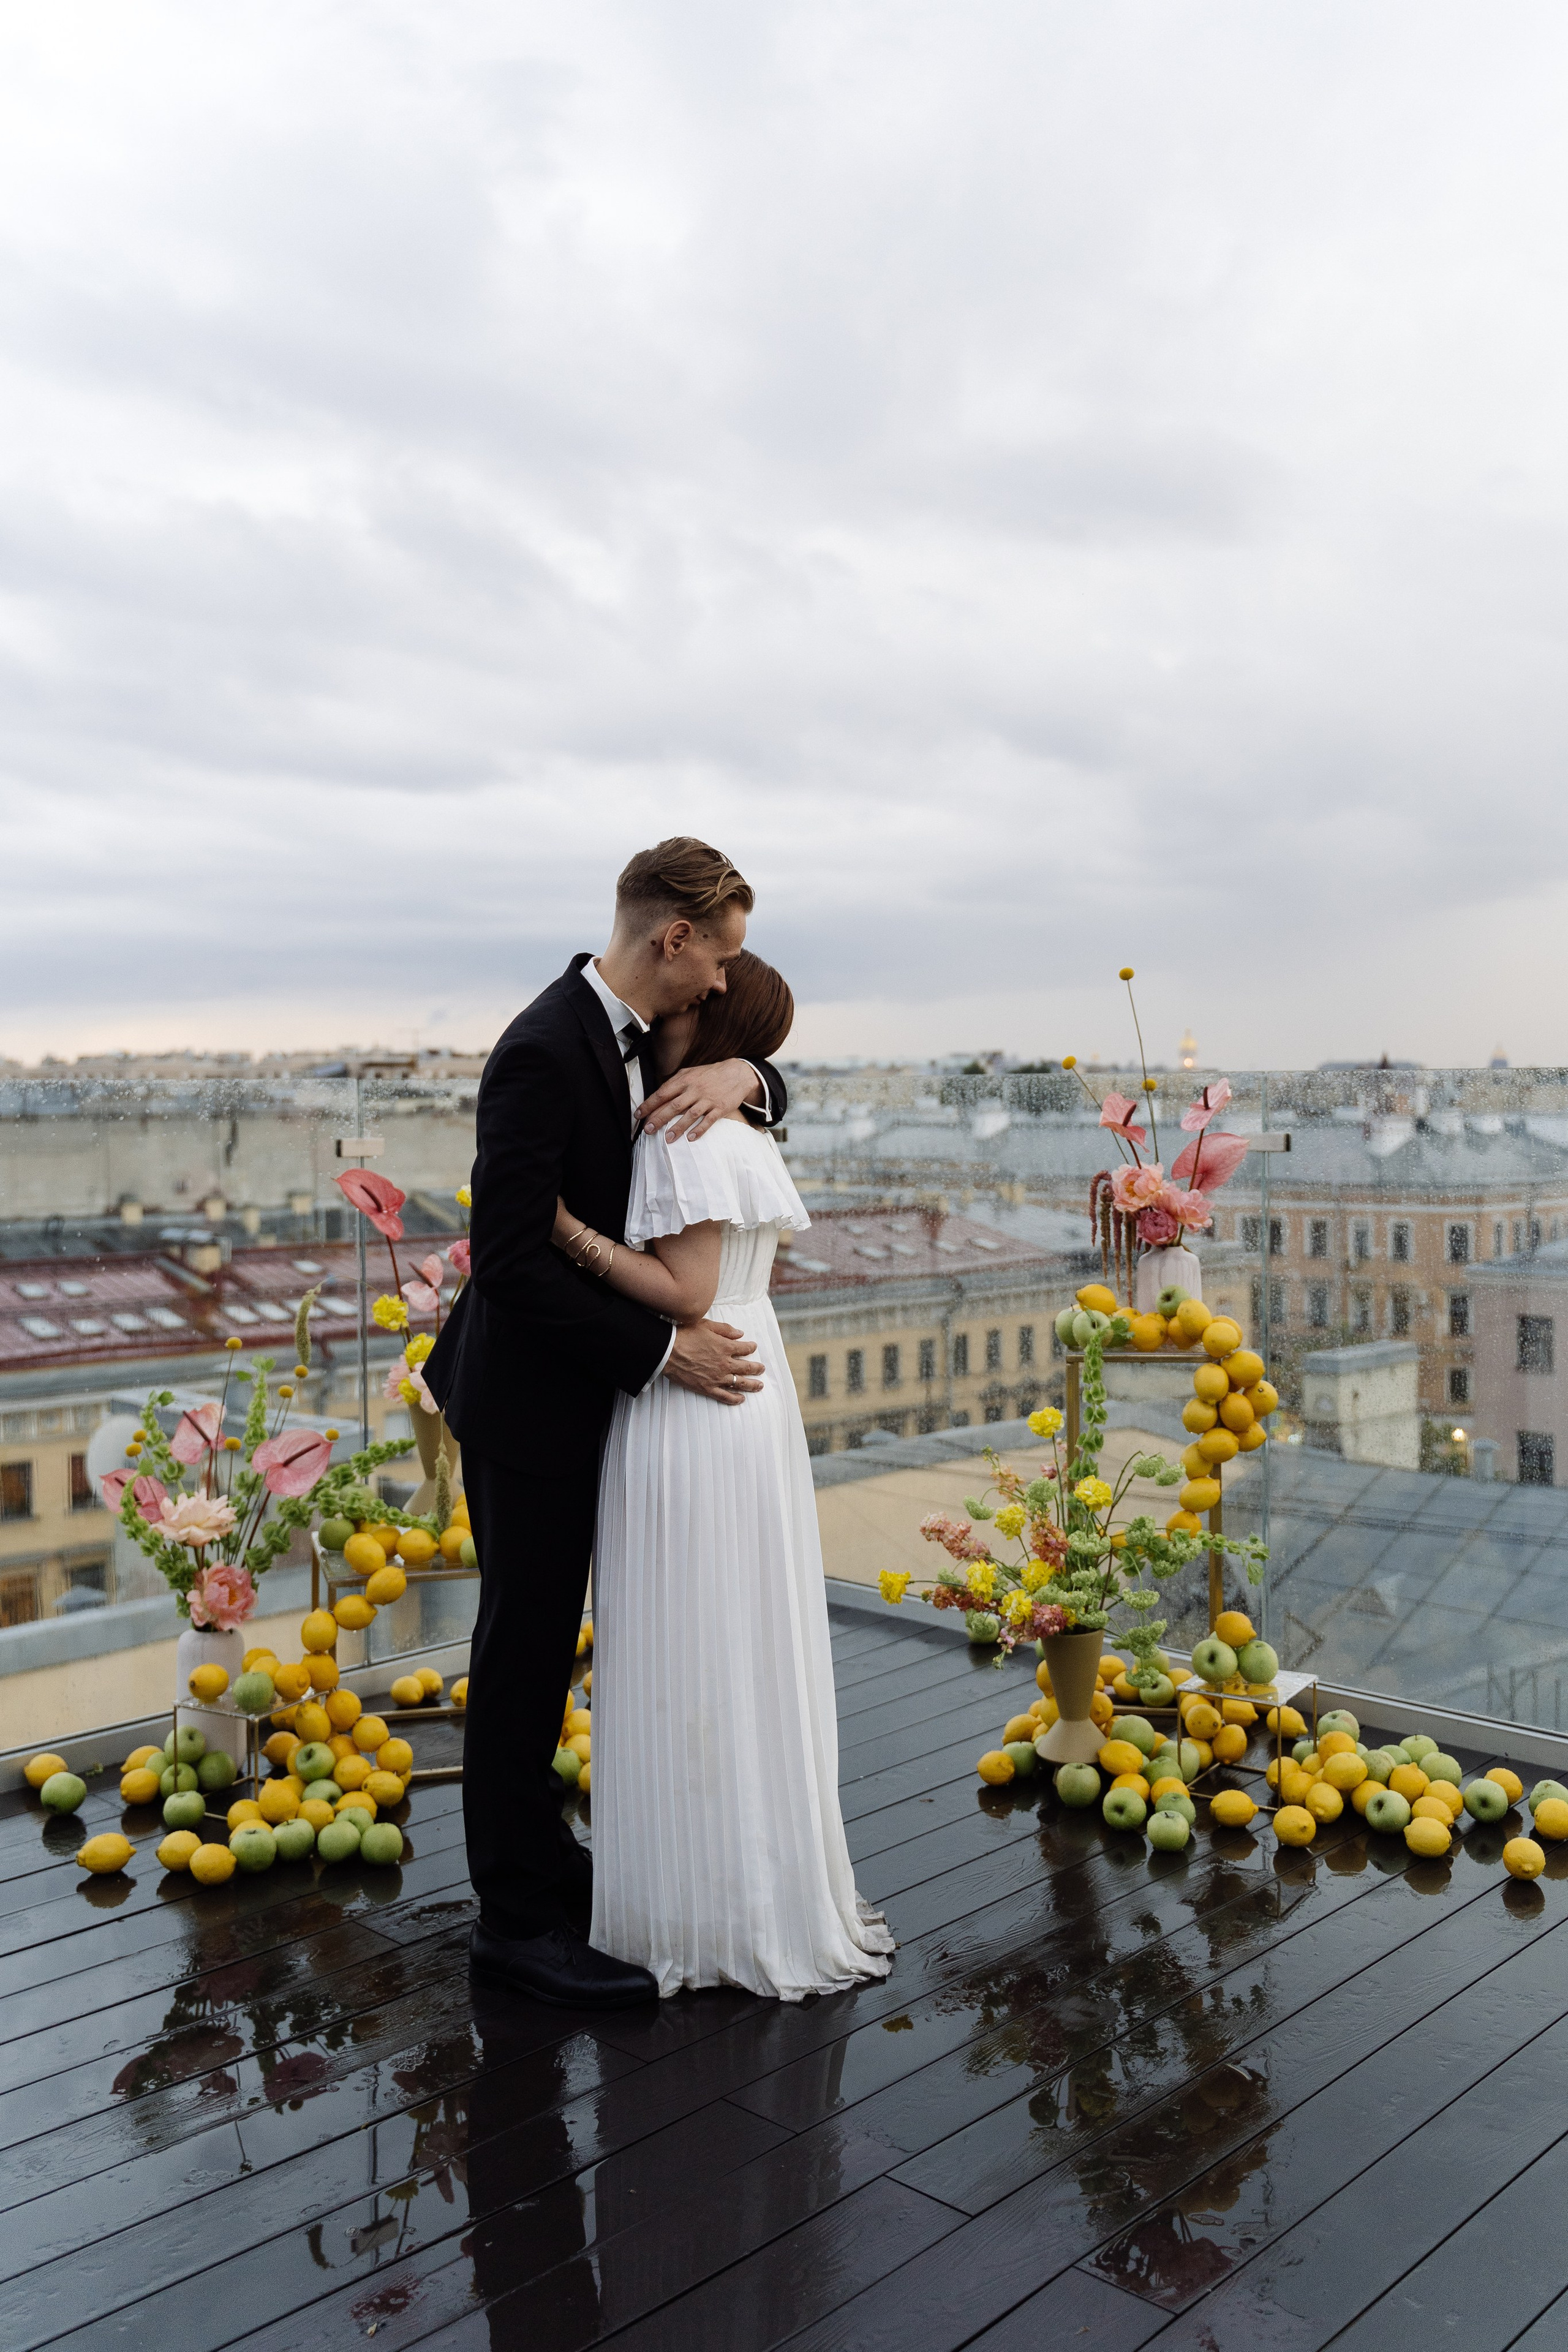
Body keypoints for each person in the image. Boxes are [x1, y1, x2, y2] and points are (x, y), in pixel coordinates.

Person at [423, 837, 791, 2009]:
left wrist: (756, 1080)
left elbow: (754, 1065)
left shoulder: (651, 1040)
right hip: (529, 1398)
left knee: (548, 1643)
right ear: (671, 938)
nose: (725, 983)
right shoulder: (542, 1048)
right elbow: (511, 1259)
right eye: (719, 956)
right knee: (522, 1650)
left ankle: (547, 1868)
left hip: (587, 1392)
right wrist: (662, 1349)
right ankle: (514, 1923)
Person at [554, 951, 894, 1999]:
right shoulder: (742, 1127)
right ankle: (751, 1883)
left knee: (683, 1636)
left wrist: (564, 1230)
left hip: (693, 1396)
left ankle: (690, 1906)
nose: (674, 1011)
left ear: (713, 1028)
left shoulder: (681, 1134)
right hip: (754, 1390)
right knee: (744, 1637)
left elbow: (682, 1286)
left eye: (697, 1004)